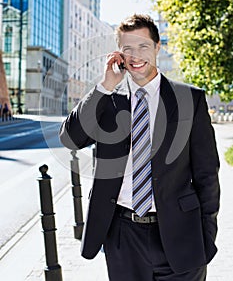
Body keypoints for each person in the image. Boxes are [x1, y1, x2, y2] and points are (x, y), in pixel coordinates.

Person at [59, 14, 220, 280]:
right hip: (123, 235)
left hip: (181, 233)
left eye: (143, 46)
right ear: (119, 53)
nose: (136, 55)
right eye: (128, 48)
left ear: (157, 47)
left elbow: (207, 175)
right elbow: (71, 139)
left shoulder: (189, 99)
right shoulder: (108, 101)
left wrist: (206, 235)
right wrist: (105, 86)